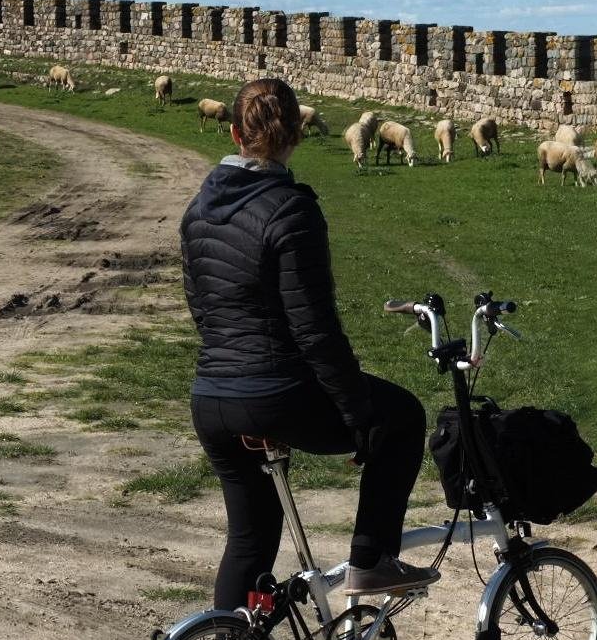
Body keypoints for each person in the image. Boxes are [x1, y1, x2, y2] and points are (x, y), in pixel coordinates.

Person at [180, 76, 438, 608]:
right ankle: (371, 562)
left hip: (211, 396)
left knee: (249, 541)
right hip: (274, 394)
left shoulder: (198, 209)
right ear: (298, 131)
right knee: (403, 416)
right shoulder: (292, 210)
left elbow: (200, 305)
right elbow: (314, 329)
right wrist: (358, 413)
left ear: (233, 133)